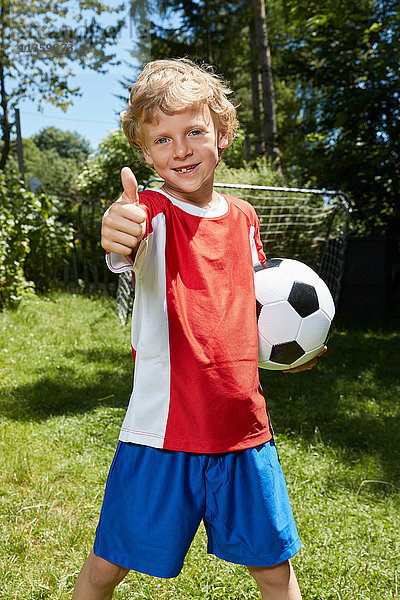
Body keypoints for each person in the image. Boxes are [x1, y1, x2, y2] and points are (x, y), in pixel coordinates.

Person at [73, 58, 323, 600]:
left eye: (193, 131)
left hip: (242, 428)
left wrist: (295, 350)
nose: (180, 149)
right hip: (163, 432)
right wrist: (118, 230)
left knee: (275, 571)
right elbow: (124, 241)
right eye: (161, 139)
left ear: (222, 134)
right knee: (106, 565)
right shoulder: (151, 212)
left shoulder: (245, 217)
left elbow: (260, 306)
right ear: (145, 153)